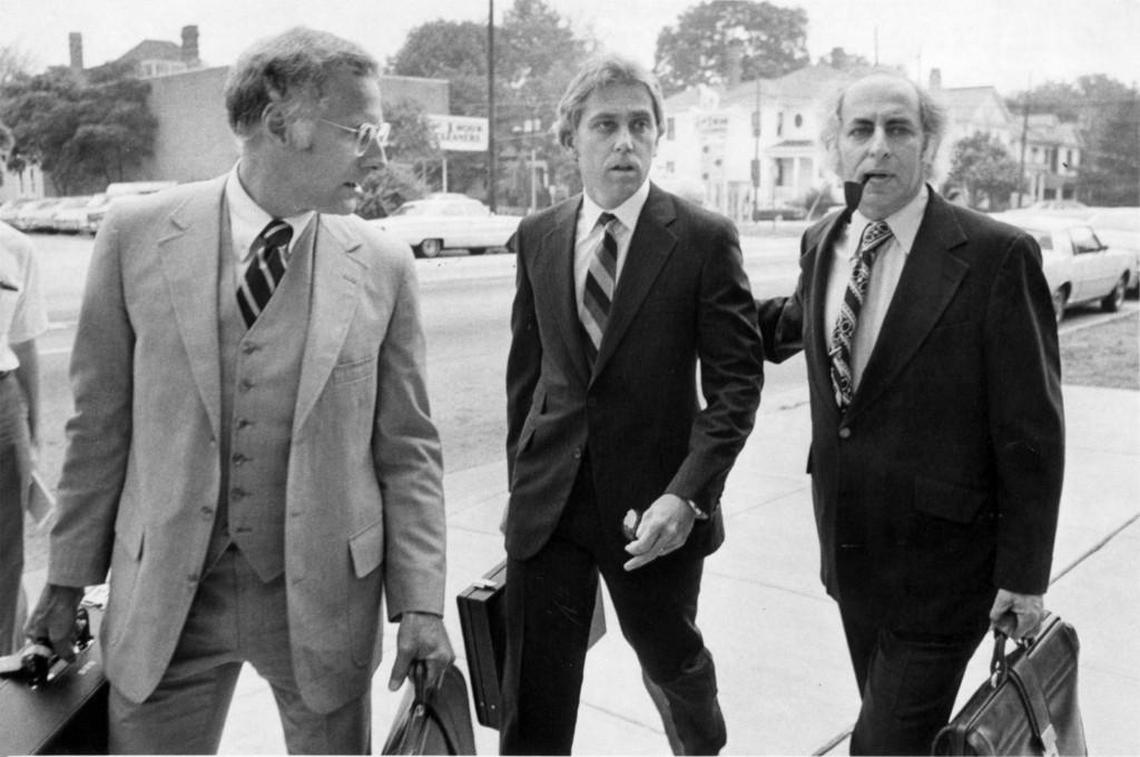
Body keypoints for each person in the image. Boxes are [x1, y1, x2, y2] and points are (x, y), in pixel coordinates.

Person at [25, 27, 452, 754]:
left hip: (322, 599)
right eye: (362, 130)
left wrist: (420, 602)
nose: (378, 153)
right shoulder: (134, 234)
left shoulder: (383, 262)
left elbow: (408, 449)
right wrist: (66, 581)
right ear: (281, 123)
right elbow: (99, 429)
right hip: (165, 597)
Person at [756, 73, 1064, 755]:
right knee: (900, 729)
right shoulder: (823, 239)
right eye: (861, 130)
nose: (879, 147)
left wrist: (1025, 573)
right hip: (850, 554)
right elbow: (801, 323)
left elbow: (1032, 431)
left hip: (945, 572)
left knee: (882, 745)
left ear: (929, 145)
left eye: (899, 129)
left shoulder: (994, 256)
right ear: (836, 146)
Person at [502, 54, 764, 755]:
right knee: (535, 694)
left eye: (640, 125)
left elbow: (736, 388)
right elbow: (524, 377)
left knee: (671, 662)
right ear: (571, 139)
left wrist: (689, 495)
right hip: (550, 503)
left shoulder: (703, 239)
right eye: (606, 124)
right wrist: (519, 488)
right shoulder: (539, 234)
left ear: (657, 135)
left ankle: (703, 744)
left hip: (655, 507)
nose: (625, 140)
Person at [0, 219, 47, 655]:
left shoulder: (13, 246)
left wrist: (33, 429)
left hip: (2, 398)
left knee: (7, 553)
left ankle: (5, 663)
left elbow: (26, 342)